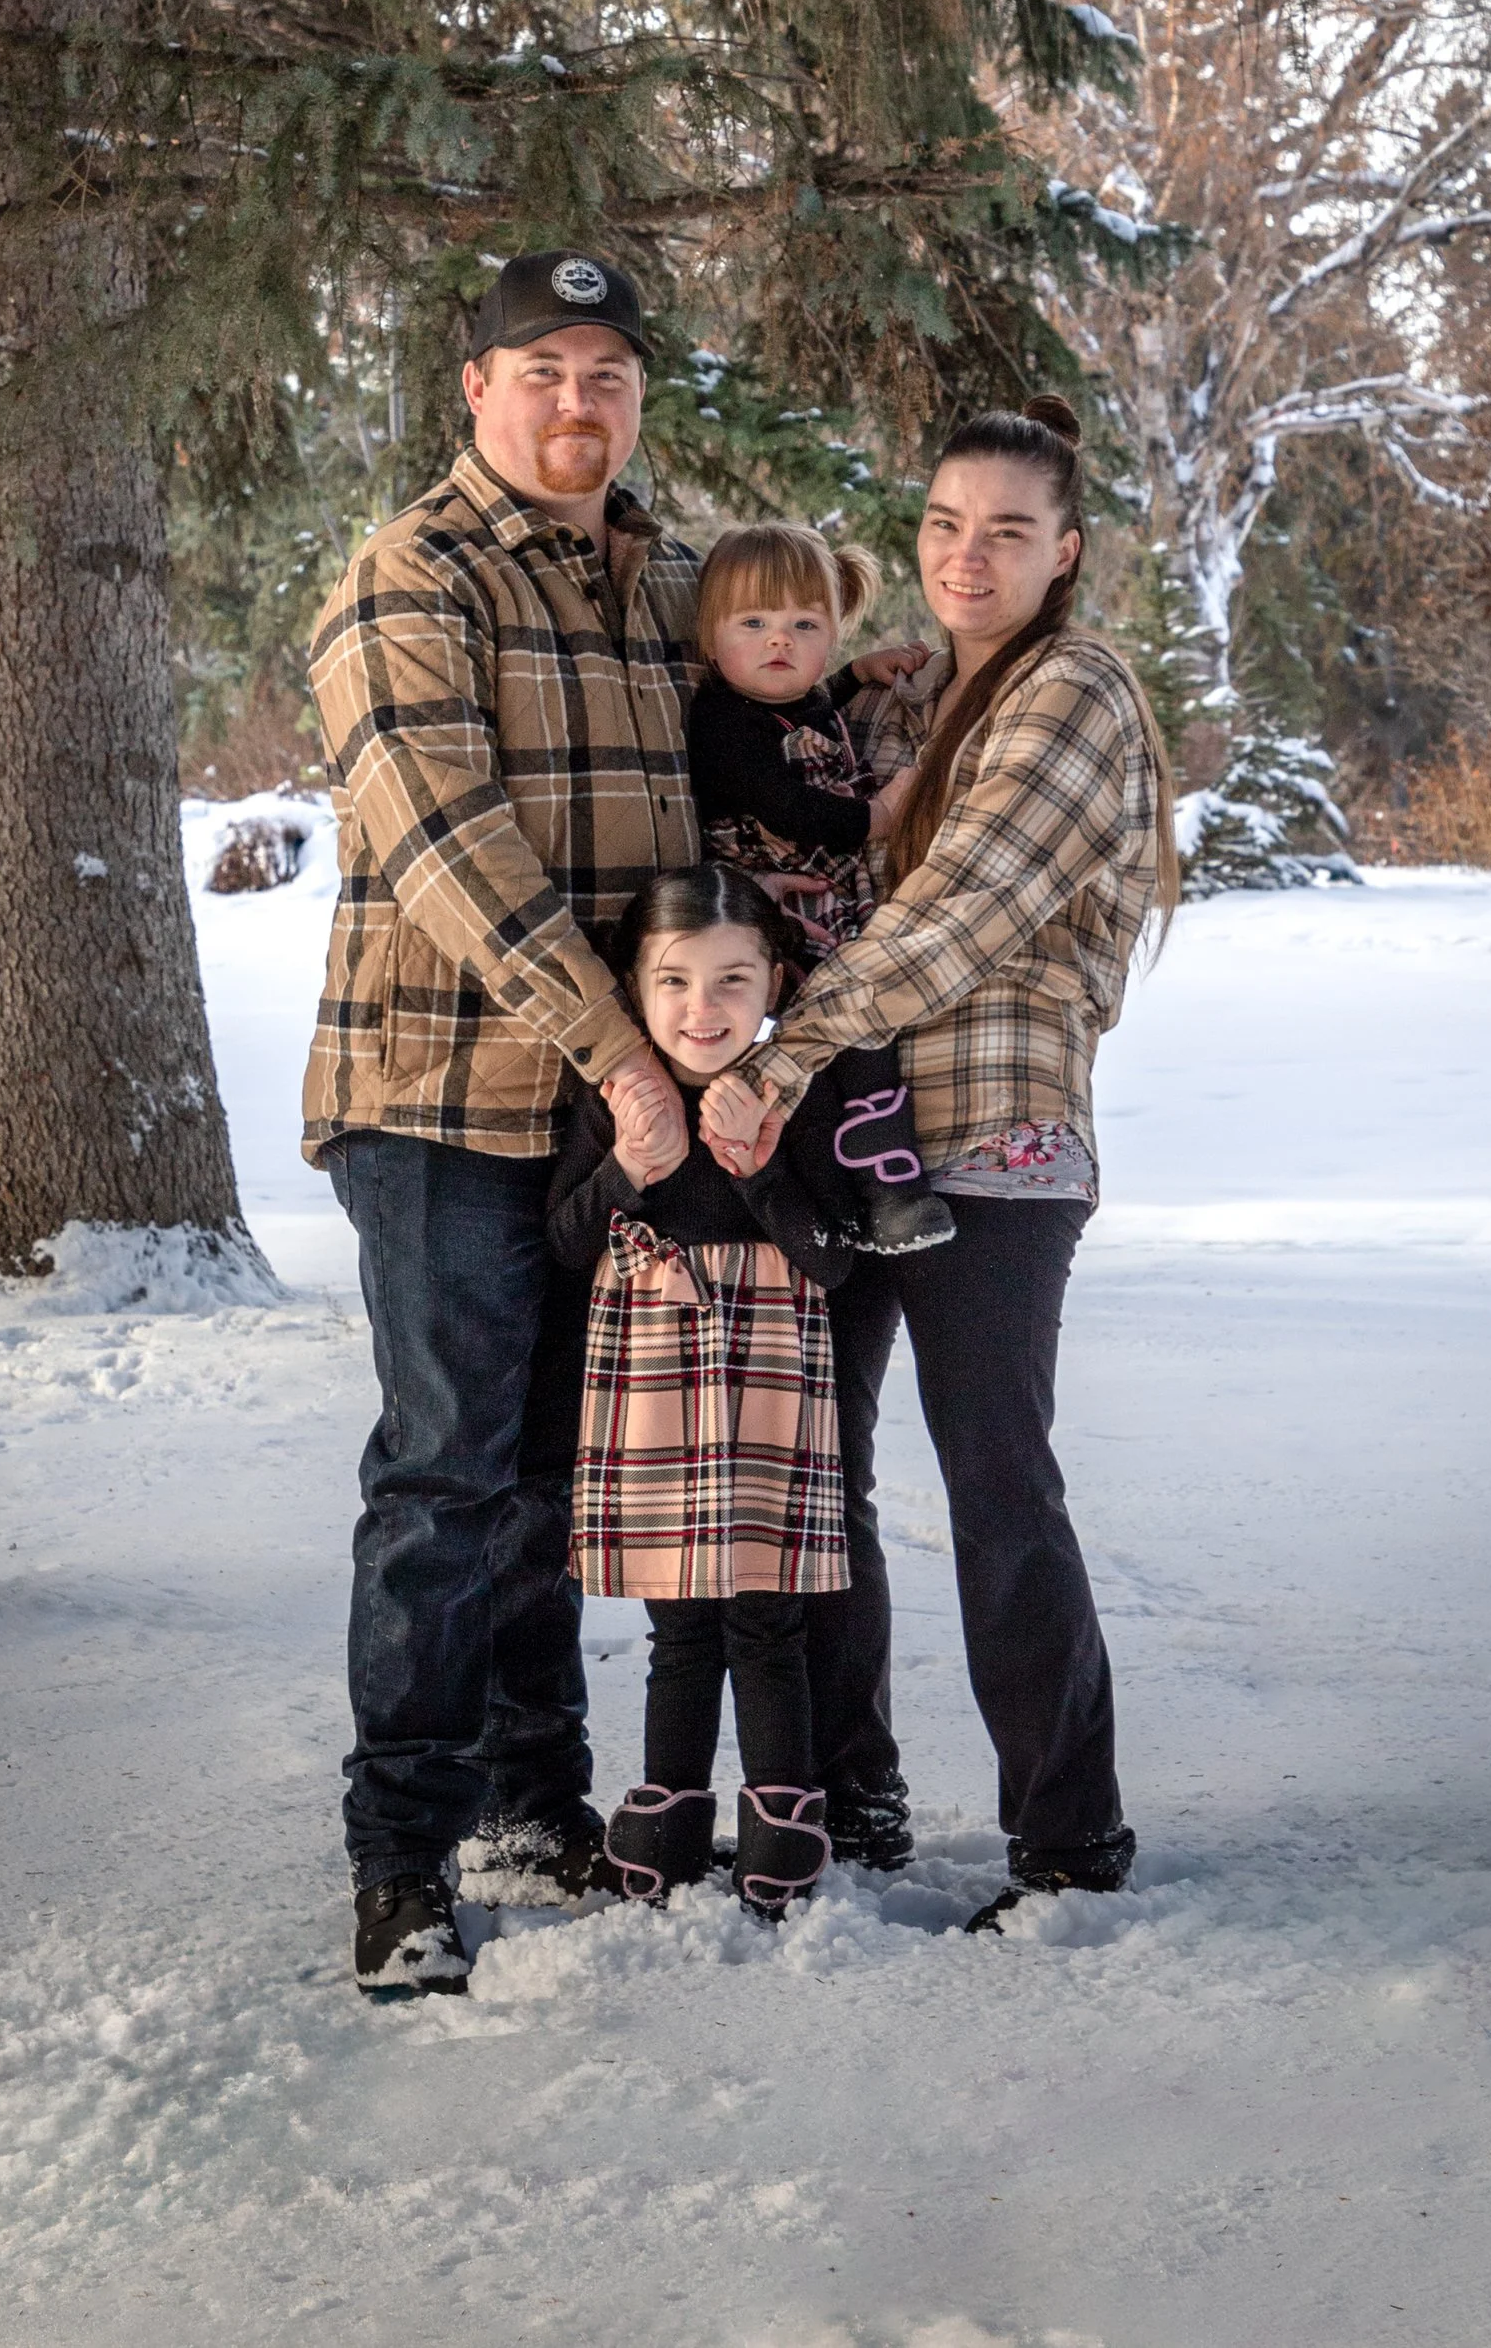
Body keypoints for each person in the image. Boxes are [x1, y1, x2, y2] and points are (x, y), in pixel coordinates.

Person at [715, 397, 1182, 1927]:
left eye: (1006, 529)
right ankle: (856, 1802)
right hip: (861, 1131)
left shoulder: (1077, 690)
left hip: (987, 1132)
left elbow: (955, 913)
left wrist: (777, 1054)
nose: (965, 556)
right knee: (821, 1477)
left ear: (1068, 551)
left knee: (994, 1481)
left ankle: (1068, 1838)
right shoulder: (911, 701)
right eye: (940, 523)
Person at [303, 251, 703, 2000]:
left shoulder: (664, 576)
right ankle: (403, 1858)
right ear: (473, 390)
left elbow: (773, 724)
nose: (574, 401)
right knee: (448, 1477)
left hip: (614, 1106)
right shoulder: (410, 577)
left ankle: (535, 1805)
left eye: (606, 372)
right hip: (444, 1099)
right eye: (539, 369)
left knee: (552, 1478)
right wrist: (624, 1053)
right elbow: (450, 846)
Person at [547, 869, 852, 1919]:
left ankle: (781, 1810)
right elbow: (565, 1240)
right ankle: (672, 1803)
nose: (702, 1009)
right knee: (681, 1625)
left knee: (765, 1617)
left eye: (732, 980)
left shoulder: (787, 1096)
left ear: (773, 981)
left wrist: (761, 1169)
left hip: (772, 1366)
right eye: (672, 981)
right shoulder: (618, 1101)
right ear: (633, 987)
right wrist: (631, 1165)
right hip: (654, 1368)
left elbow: (836, 1260)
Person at [687, 519, 953, 1258]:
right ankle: (887, 1192)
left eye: (805, 624)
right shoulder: (720, 719)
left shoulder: (794, 697)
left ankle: (857, 1193)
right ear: (712, 639)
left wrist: (853, 677)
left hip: (826, 901)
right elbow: (787, 805)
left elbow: (803, 709)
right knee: (851, 1025)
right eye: (754, 623)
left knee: (860, 1024)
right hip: (770, 909)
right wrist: (880, 816)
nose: (780, 641)